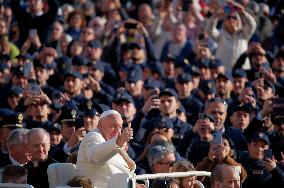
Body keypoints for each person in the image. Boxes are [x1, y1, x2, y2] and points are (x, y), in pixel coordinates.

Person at [76, 110, 135, 188]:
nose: (117, 131)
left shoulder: (114, 143)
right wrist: (119, 141)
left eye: (119, 127)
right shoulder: (93, 136)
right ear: (101, 127)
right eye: (113, 126)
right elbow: (95, 156)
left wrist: (133, 184)